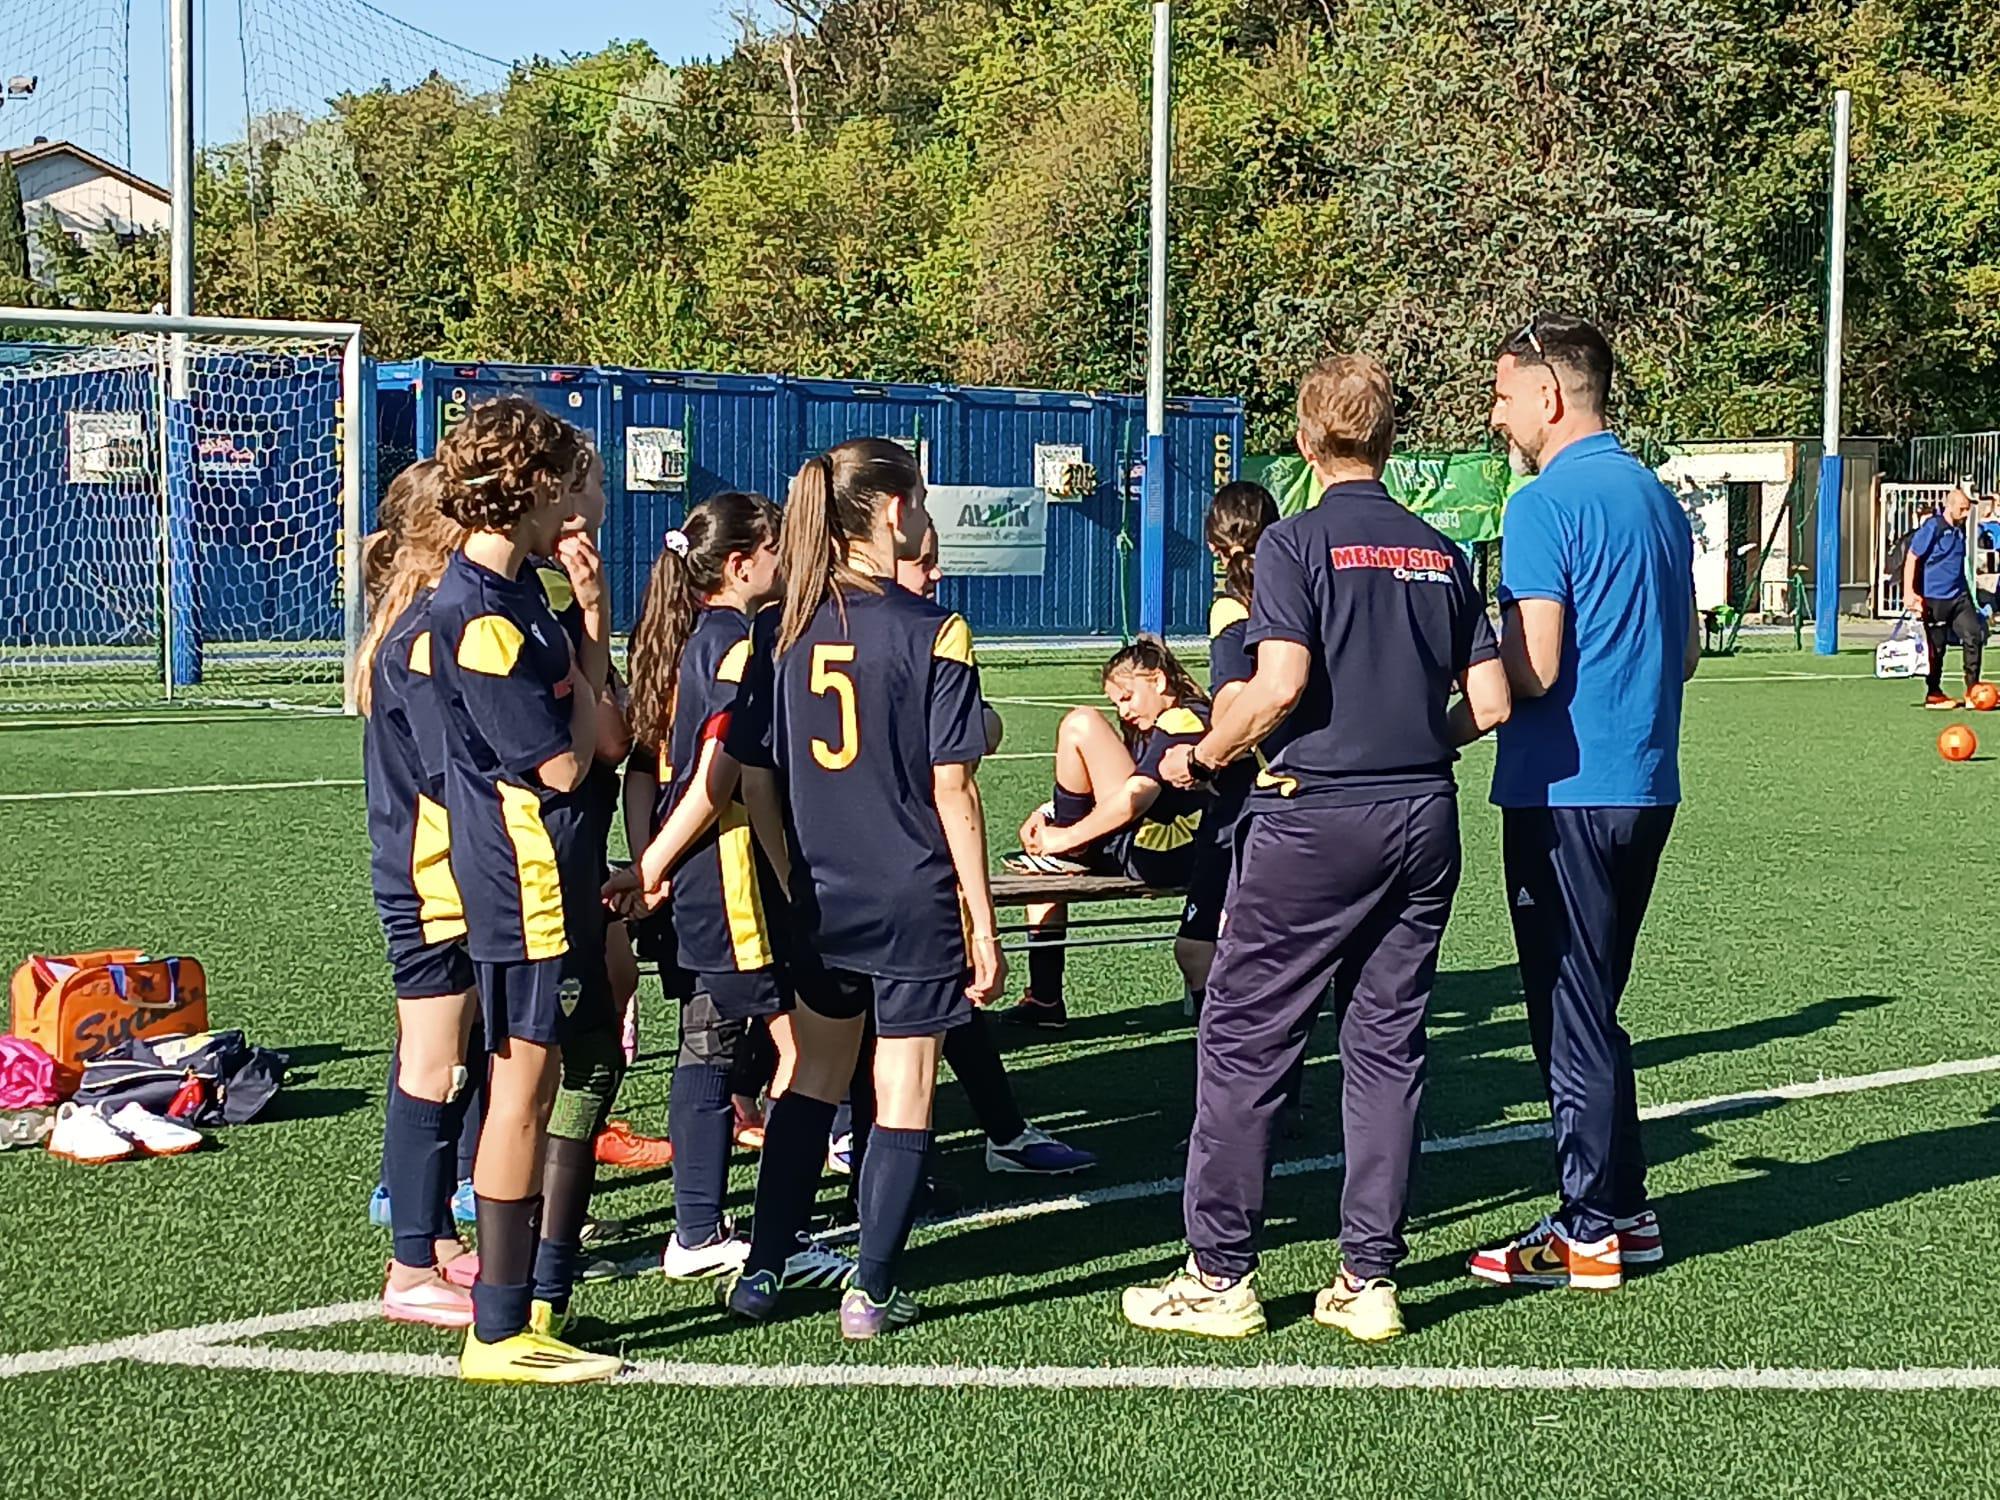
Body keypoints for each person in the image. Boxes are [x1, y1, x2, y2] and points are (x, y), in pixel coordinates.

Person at [1122, 353, 1510, 1343]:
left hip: (1315, 814)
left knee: (1245, 1037)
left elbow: (1279, 682)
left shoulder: (1294, 544)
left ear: (1304, 439)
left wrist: (1202, 753)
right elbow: (1493, 700)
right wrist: (1417, 740)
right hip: (1423, 813)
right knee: (1384, 1044)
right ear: (1386, 440)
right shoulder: (1438, 549)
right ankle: (1367, 1279)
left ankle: (1219, 1276)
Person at [716, 438, 1006, 1340]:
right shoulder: (935, 629)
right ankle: (871, 1290)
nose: (923, 519)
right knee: (906, 1087)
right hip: (910, 893)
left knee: (812, 1077)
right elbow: (953, 785)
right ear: (889, 512)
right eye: (918, 502)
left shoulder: (779, 627)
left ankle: (764, 1268)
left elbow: (754, 779)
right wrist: (983, 918)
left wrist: (792, 871)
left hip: (822, 895)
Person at [1470, 313, 1696, 1293]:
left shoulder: (1541, 503)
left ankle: (1587, 1226)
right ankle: (1626, 1211)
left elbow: (1535, 663)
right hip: (1644, 781)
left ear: (1548, 396)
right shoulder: (1653, 495)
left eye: (1503, 394)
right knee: (1591, 1004)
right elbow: (1685, 651)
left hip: (1563, 789)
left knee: (1567, 1009)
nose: (1496, 414)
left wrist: (1460, 672)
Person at [427, 396, 621, 1383]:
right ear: (537, 489)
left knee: (566, 1080)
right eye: (575, 486)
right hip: (527, 887)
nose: (585, 509)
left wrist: (590, 627)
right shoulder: (475, 615)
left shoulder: (522, 604)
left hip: (566, 882)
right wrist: (588, 698)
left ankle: (537, 1296)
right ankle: (498, 1330)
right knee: (518, 1094)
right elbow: (562, 768)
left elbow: (600, 725)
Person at [611, 491, 811, 1276]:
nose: (783, 565)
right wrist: (654, 863)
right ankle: (751, 1231)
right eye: (774, 551)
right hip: (725, 874)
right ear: (741, 564)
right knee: (782, 1049)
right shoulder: (736, 648)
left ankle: (702, 1226)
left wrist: (652, 857)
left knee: (714, 1041)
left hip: (693, 870)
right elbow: (719, 778)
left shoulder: (696, 638)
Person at [892, 524, 1094, 1176]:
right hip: (878, 859)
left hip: (899, 855)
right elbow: (962, 763)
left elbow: (977, 730)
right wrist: (985, 922)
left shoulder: (911, 629)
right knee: (877, 1021)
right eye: (923, 562)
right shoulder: (900, 632)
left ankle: (998, 1132)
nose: (935, 575)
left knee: (941, 999)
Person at [357, 459, 479, 1329]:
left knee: (447, 1060)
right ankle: (409, 1266)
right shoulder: (425, 639)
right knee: (431, 1067)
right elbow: (452, 774)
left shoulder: (416, 627)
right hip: (433, 879)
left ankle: (433, 1239)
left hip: (438, 871)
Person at [998, 638, 1215, 1030]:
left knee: (1081, 723)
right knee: (1043, 872)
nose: (1124, 711)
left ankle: (1068, 848)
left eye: (1128, 697)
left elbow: (1135, 797)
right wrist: (1049, 815)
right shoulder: (1161, 722)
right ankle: (1045, 998)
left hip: (1164, 848)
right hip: (1151, 844)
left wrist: (1062, 839)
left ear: (1159, 681)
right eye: (1117, 702)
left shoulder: (1183, 718)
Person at [1186, 481, 1281, 1009]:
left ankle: (1223, 1064)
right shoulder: (1301, 585)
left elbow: (1234, 704)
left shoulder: (1231, 609)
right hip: (1319, 784)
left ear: (1214, 548)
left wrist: (1201, 757)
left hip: (1251, 789)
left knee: (1200, 949)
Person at [1904, 482, 1983, 708]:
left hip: (1959, 596)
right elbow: (1912, 557)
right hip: (1934, 598)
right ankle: (1934, 692)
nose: (1966, 513)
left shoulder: (1960, 529)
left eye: (1968, 509)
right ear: (1950, 506)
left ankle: (1972, 690)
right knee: (1936, 649)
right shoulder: (1933, 527)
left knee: (1973, 635)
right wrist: (1910, 593)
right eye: (1962, 508)